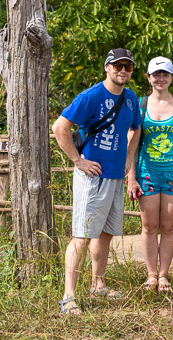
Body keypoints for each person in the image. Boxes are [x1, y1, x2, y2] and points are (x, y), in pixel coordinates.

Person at [52, 47, 142, 315]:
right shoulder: (91, 96)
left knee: (105, 233)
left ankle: (98, 284)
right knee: (81, 235)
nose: (123, 71)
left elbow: (136, 128)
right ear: (107, 67)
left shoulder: (130, 99)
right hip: (92, 176)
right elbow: (60, 127)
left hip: (115, 175)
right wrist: (78, 160)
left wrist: (128, 155)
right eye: (118, 66)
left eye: (128, 67)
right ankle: (68, 296)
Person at [127, 56, 173, 293]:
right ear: (148, 77)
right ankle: (151, 274)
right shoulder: (139, 105)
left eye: (165, 74)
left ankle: (164, 274)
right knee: (148, 225)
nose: (160, 78)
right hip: (147, 171)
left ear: (171, 77)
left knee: (168, 225)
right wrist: (131, 176)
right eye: (156, 74)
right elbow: (132, 145)